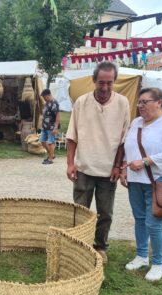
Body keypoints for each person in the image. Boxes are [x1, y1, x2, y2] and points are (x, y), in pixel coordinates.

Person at [120, 87, 162, 281]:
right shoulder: (136, 122)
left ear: (158, 102)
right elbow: (129, 146)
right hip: (135, 180)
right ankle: (141, 256)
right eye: (139, 102)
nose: (140, 106)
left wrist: (146, 161)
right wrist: (125, 168)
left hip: (160, 180)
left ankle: (158, 263)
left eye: (145, 102)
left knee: (154, 223)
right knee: (139, 219)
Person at [66, 62, 130, 263]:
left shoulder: (122, 103)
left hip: (108, 169)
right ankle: (78, 245)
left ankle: (100, 246)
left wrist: (118, 166)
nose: (104, 87)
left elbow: (123, 140)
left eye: (109, 83)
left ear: (115, 81)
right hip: (84, 167)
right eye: (101, 82)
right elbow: (72, 136)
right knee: (80, 211)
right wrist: (70, 163)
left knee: (105, 213)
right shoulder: (81, 102)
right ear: (93, 80)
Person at [39, 89, 60, 164]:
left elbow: (57, 115)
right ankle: (51, 155)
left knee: (51, 142)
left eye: (44, 96)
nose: (43, 98)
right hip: (45, 126)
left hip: (51, 126)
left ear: (48, 95)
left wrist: (55, 127)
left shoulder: (54, 103)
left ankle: (50, 159)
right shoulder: (47, 103)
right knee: (42, 141)